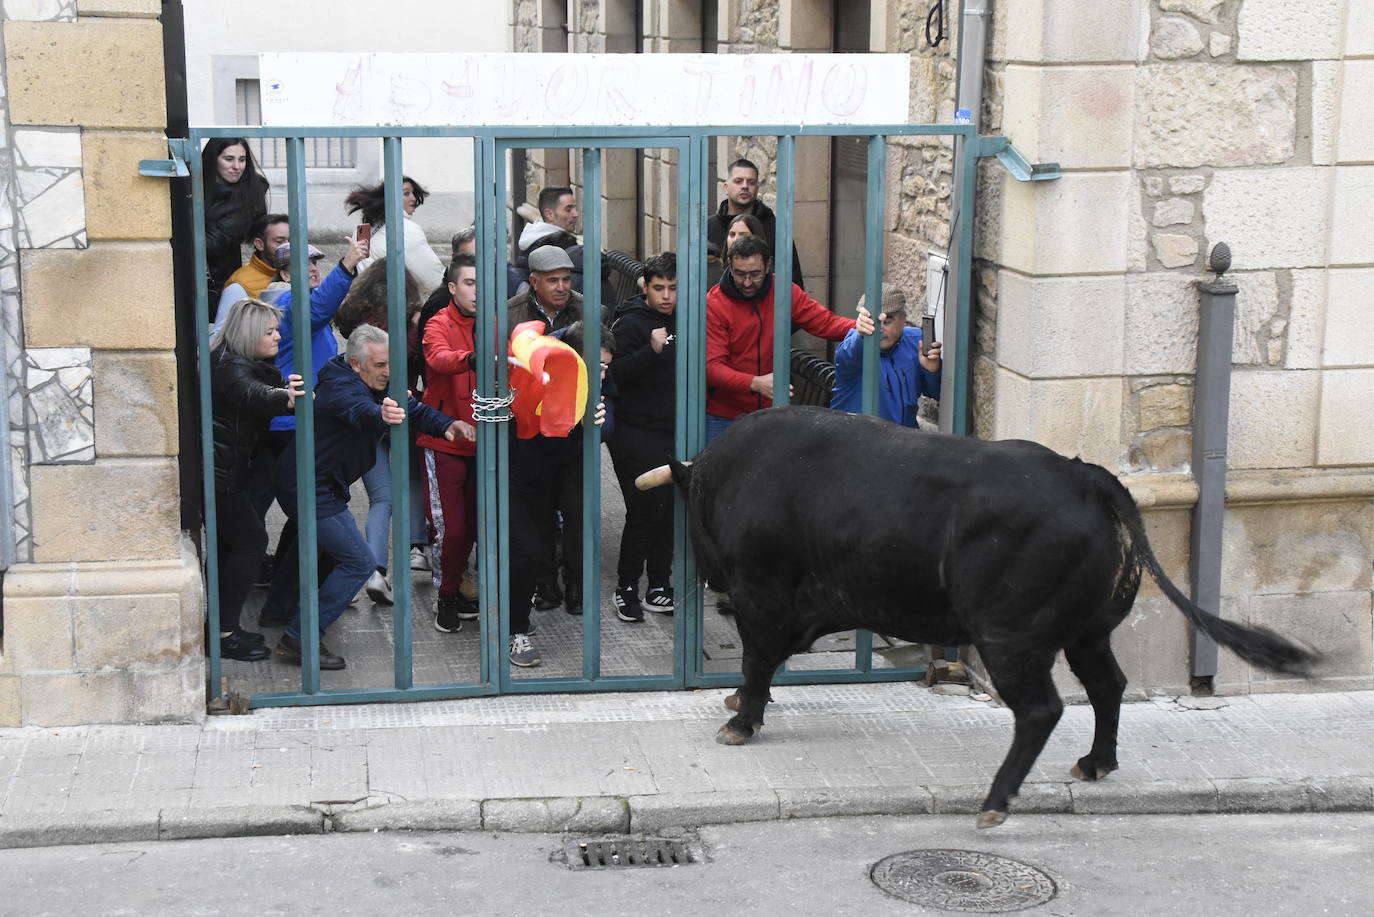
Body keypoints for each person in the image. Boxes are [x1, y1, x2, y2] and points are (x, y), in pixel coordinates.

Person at [265, 325, 469, 670]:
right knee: (359, 562)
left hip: (316, 482)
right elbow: (357, 409)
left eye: (390, 364)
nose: (387, 372)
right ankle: (299, 638)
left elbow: (410, 406)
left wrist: (447, 425)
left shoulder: (367, 380)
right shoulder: (339, 387)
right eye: (379, 366)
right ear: (356, 364)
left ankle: (278, 609)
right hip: (310, 486)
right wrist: (380, 415)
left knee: (324, 547)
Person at [256, 234, 368, 625]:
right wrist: (348, 264)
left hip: (304, 419)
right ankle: (290, 608)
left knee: (307, 522)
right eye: (304, 266)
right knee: (317, 520)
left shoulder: (295, 303)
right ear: (286, 274)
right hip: (292, 423)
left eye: (318, 263)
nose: (314, 269)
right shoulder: (290, 303)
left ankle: (286, 604)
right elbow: (319, 307)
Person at [505, 320, 610, 667]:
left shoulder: (586, 385)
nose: (604, 374)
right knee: (527, 551)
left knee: (573, 524)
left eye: (608, 367)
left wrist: (597, 421)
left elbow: (609, 420)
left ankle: (529, 609)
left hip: (559, 470)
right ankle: (515, 629)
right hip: (519, 478)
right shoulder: (533, 380)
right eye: (599, 368)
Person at [705, 234, 873, 443]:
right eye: (739, 274)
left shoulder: (784, 291)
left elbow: (825, 323)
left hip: (771, 412)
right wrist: (755, 383)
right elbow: (711, 367)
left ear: (768, 266)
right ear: (729, 265)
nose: (747, 282)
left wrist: (861, 327)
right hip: (724, 415)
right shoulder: (715, 303)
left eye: (755, 274)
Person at [208, 297, 305, 662]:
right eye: (270, 331)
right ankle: (223, 633)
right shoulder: (231, 368)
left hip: (226, 470)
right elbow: (254, 394)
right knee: (250, 542)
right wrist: (288, 398)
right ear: (250, 334)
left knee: (227, 546)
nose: (279, 336)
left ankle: (220, 627)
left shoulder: (238, 361)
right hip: (221, 473)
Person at [332, 257, 429, 605]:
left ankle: (375, 570)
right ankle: (418, 547)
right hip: (403, 409)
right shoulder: (413, 321)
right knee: (415, 479)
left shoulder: (358, 321)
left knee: (382, 497)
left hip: (366, 413)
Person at [507, 246, 587, 615]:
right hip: (530, 432)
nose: (561, 287)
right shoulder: (511, 314)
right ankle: (545, 585)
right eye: (552, 280)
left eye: (566, 279)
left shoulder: (589, 308)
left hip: (571, 430)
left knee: (576, 512)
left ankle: (574, 585)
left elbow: (605, 351)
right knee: (538, 513)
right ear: (533, 282)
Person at [607, 252, 679, 623]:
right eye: (659, 288)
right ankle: (626, 587)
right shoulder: (631, 323)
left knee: (667, 509)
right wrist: (651, 352)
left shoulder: (687, 317)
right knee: (645, 508)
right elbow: (612, 374)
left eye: (673, 288)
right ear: (645, 287)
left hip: (671, 429)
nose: (666, 296)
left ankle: (659, 586)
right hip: (634, 431)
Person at [420, 253, 482, 633]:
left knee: (473, 526)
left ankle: (456, 587)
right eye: (469, 283)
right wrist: (472, 358)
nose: (476, 291)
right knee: (450, 528)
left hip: (484, 440)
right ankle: (445, 594)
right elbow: (440, 359)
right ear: (453, 287)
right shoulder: (437, 323)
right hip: (444, 440)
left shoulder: (492, 322)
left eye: (480, 283)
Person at [830, 285, 943, 427]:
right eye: (872, 320)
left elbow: (939, 394)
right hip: (857, 441)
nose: (879, 328)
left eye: (887, 321)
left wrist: (932, 371)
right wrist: (862, 335)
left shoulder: (916, 341)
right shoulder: (854, 345)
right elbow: (847, 356)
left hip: (903, 440)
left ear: (903, 319)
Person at [706, 158, 805, 290]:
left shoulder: (775, 228)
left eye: (751, 182)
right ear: (726, 187)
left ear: (757, 188)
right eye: (738, 181)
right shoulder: (708, 227)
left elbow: (792, 277)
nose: (745, 186)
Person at [201, 138, 269, 313]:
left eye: (242, 159)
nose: (237, 166)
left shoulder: (249, 195)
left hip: (219, 283)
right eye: (229, 159)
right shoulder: (195, 187)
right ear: (213, 159)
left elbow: (214, 241)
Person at [347, 176, 445, 292]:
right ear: (391, 197)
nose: (413, 198)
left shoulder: (364, 227)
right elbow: (432, 277)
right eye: (406, 193)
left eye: (413, 193)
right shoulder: (406, 229)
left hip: (360, 299)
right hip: (388, 303)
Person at [224, 213, 290, 300]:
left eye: (291, 240)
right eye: (279, 241)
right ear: (259, 244)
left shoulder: (302, 273)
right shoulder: (239, 286)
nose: (288, 246)